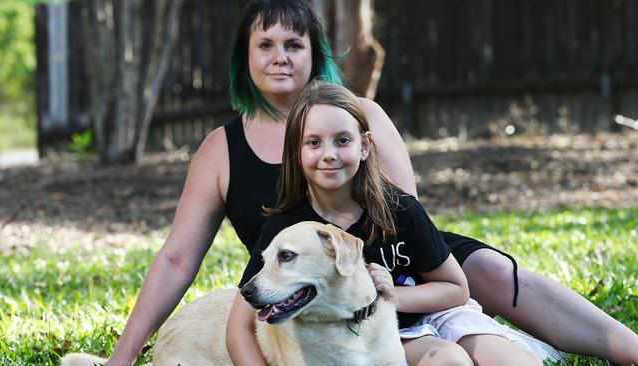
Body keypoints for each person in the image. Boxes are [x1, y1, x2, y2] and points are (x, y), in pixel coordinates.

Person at [103, 1, 638, 365]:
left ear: (314, 51)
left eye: (293, 44)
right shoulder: (222, 149)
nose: (279, 57)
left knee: (483, 268)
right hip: (318, 284)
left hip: (401, 264)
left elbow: (401, 212)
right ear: (243, 59)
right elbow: (176, 260)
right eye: (264, 45)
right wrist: (124, 357)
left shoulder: (362, 113)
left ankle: (630, 347)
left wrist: (399, 290)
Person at [227, 79, 561, 365]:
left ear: (364, 146)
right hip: (381, 337)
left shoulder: (398, 208)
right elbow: (240, 325)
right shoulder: (287, 229)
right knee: (448, 360)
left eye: (342, 140)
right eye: (313, 142)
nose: (328, 153)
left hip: (431, 313)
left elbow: (456, 288)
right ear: (296, 152)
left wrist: (393, 296)